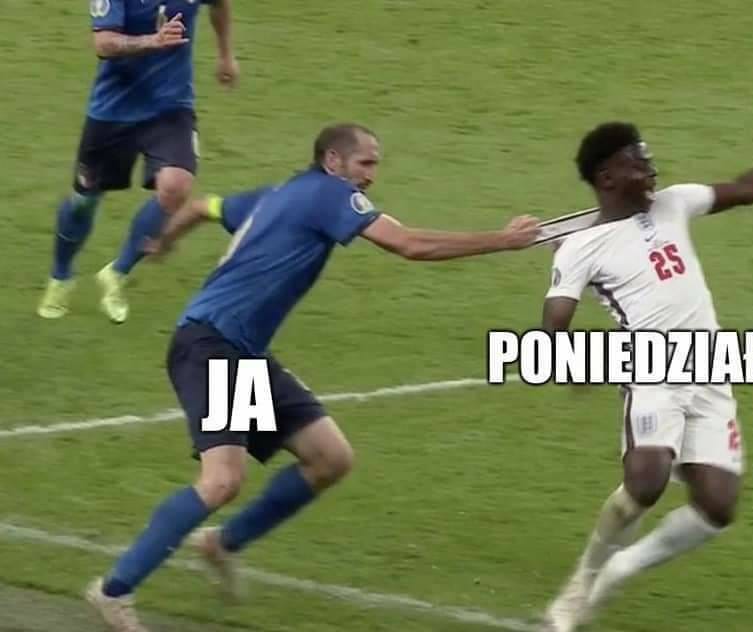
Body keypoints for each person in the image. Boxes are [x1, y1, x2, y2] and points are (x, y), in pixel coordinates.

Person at [84, 123, 540, 631]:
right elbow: (410, 244)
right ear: (333, 161)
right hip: (212, 345)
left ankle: (221, 543)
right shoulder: (329, 194)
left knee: (329, 458)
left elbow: (202, 206)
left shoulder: (278, 194)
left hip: (240, 350)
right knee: (221, 481)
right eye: (365, 163)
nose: (371, 176)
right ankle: (113, 590)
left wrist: (166, 239)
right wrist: (503, 240)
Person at [540, 122, 753, 631]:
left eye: (648, 157)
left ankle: (620, 568)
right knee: (646, 482)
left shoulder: (674, 203)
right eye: (637, 161)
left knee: (718, 507)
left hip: (709, 371)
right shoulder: (581, 247)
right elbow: (555, 318)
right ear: (607, 177)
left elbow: (748, 188)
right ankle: (580, 585)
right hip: (653, 373)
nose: (650, 167)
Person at [38, 0, 237, 324]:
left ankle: (117, 273)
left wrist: (226, 55)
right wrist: (153, 41)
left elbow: (220, 4)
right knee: (83, 202)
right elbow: (103, 43)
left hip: (171, 107)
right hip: (113, 111)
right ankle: (61, 276)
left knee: (176, 186)